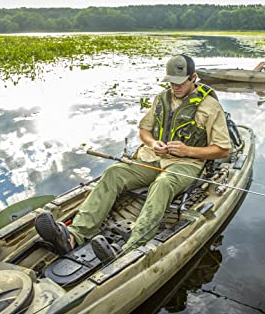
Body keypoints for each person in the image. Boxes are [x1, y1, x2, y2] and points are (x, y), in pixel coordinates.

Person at [35, 54, 232, 262]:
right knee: (114, 173)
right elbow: (144, 130)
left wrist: (187, 151)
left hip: (185, 164)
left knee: (163, 183)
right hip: (152, 159)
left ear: (194, 78)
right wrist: (153, 143)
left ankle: (130, 248)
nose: (175, 88)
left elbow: (222, 150)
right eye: (171, 83)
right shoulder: (161, 99)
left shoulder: (210, 107)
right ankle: (74, 235)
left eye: (180, 83)